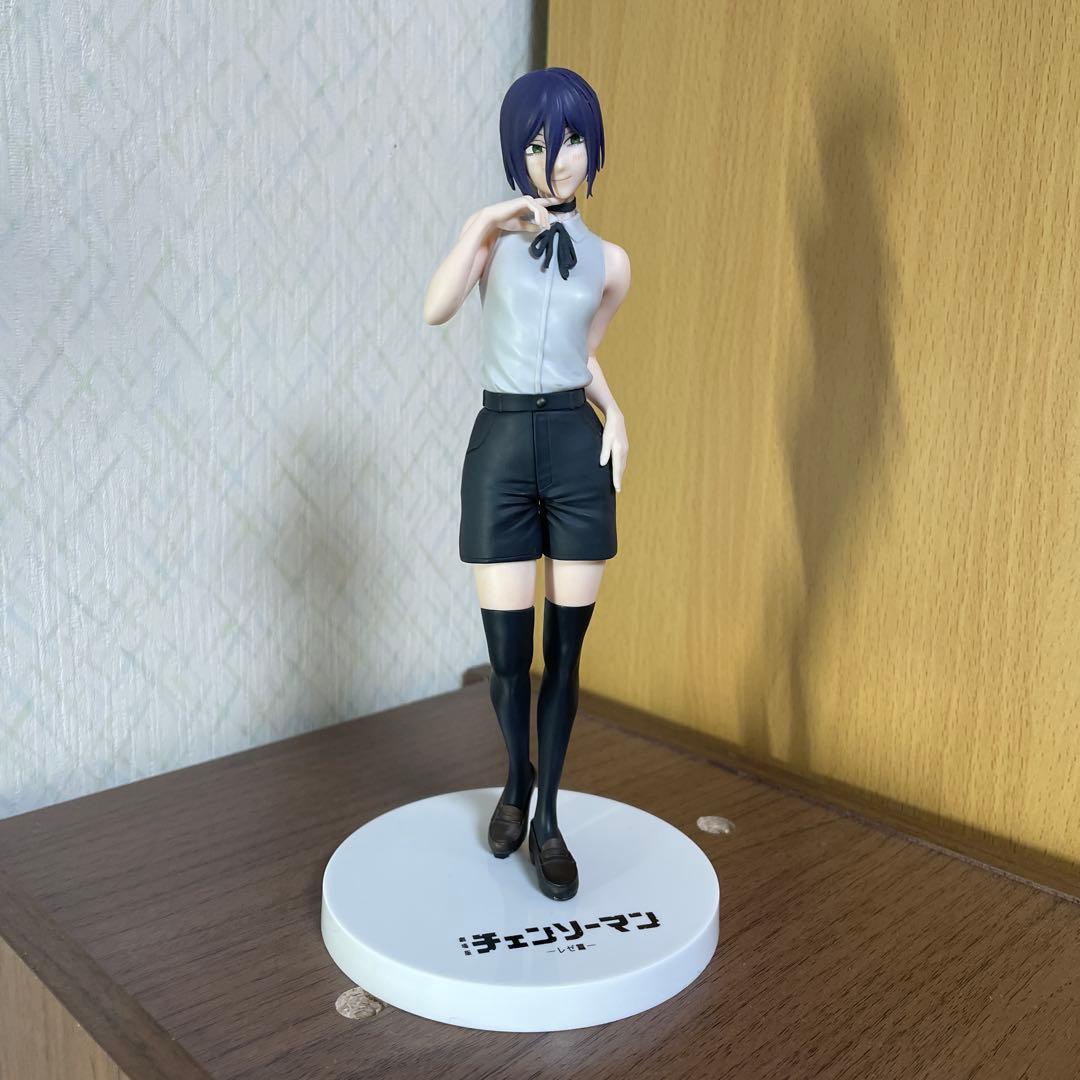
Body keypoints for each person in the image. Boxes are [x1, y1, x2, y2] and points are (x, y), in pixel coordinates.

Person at [423, 67, 631, 900]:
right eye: (538, 143)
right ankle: (517, 775)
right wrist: (483, 220)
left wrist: (616, 412)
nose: (557, 158)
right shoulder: (492, 243)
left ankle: (546, 817)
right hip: (503, 447)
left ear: (594, 146)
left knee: (565, 655)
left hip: (578, 452)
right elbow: (435, 308)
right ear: (517, 151)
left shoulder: (611, 263)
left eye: (571, 139)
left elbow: (584, 355)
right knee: (506, 658)